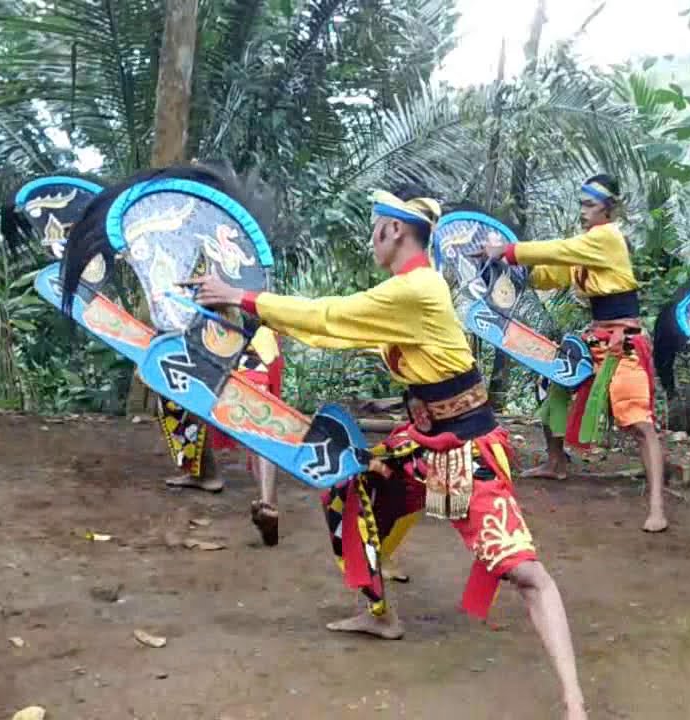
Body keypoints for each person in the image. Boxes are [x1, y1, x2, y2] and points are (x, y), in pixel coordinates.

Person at [184, 187, 588, 719]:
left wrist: (242, 297)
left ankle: (574, 703)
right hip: (422, 443)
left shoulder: (417, 289)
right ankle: (379, 614)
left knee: (523, 573)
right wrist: (259, 315)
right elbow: (336, 331)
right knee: (349, 488)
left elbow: (329, 314)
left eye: (375, 224)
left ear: (394, 230)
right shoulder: (404, 291)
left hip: (464, 452)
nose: (370, 233)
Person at [483, 174, 668, 533]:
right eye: (581, 204)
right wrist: (509, 270)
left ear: (608, 209)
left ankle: (657, 506)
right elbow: (551, 274)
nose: (583, 211)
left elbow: (557, 250)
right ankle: (556, 462)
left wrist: (506, 250)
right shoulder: (585, 246)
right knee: (551, 380)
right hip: (594, 337)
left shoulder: (607, 238)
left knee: (639, 423)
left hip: (621, 341)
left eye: (590, 205)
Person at [156, 324, 286, 546]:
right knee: (258, 417)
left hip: (215, 337)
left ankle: (212, 477)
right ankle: (266, 503)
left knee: (180, 392)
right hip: (250, 338)